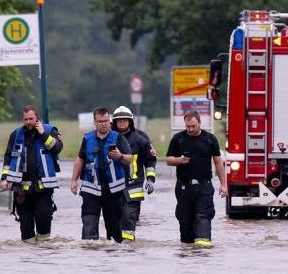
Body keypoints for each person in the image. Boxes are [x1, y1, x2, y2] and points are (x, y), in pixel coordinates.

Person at [1, 105, 63, 243]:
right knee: (26, 226)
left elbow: (57, 148)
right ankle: (28, 257)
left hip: (44, 187)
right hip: (22, 188)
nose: (28, 122)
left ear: (37, 118)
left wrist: (43, 134)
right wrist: (5, 177)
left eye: (31, 119)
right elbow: (8, 158)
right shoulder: (16, 134)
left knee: (44, 217)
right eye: (25, 119)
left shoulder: (50, 130)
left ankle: (43, 252)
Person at [70, 107, 133, 243]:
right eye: (100, 121)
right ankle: (91, 256)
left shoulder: (118, 138)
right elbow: (80, 159)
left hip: (113, 190)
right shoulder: (87, 139)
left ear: (110, 121)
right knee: (89, 224)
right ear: (95, 122)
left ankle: (112, 255)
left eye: (106, 121)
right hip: (91, 188)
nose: (104, 124)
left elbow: (129, 158)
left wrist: (120, 155)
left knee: (114, 228)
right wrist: (73, 180)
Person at [166, 110, 227, 247]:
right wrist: (179, 160)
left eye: (193, 126)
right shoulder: (178, 139)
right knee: (185, 221)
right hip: (184, 187)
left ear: (199, 122)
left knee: (203, 216)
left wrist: (224, 184)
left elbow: (218, 161)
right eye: (188, 126)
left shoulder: (210, 139)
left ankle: (203, 250)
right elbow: (168, 160)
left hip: (204, 186)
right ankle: (188, 253)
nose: (190, 129)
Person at [111, 106, 156, 241]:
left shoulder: (140, 139)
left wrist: (150, 179)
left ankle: (127, 245)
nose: (122, 123)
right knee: (115, 217)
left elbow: (149, 160)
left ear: (130, 122)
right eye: (120, 121)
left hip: (134, 184)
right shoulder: (109, 138)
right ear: (115, 122)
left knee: (130, 216)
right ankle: (116, 244)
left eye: (125, 120)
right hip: (113, 183)